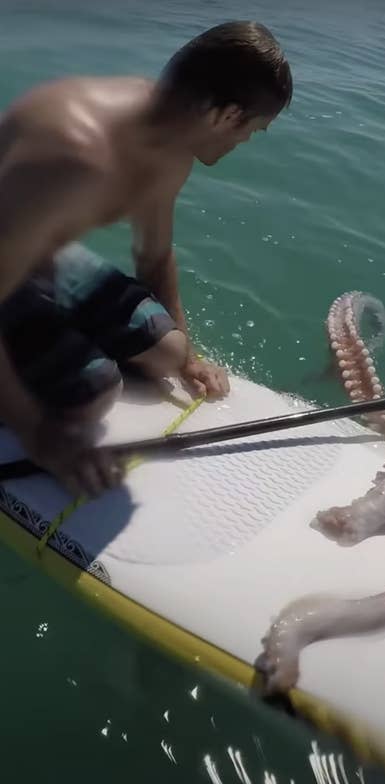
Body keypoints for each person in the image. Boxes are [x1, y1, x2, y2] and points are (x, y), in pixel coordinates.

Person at [0, 21, 293, 498]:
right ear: (227, 116)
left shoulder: (171, 146)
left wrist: (191, 360)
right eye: (254, 131)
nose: (246, 142)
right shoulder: (75, 156)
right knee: (92, 396)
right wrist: (37, 435)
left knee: (169, 354)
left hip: (34, 257)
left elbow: (154, 256)